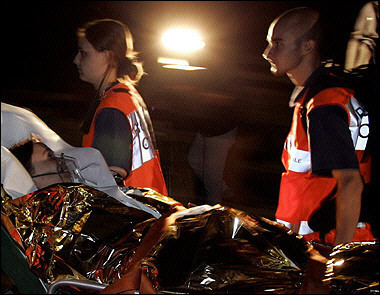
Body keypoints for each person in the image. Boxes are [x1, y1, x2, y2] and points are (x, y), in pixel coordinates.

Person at [262, 7, 375, 246]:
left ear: (307, 47)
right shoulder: (318, 97)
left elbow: (350, 183)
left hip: (332, 243)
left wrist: (338, 258)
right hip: (317, 241)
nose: (267, 52)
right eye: (269, 43)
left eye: (278, 44)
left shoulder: (324, 104)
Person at [73, 19, 167, 195]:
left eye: (83, 53)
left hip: (131, 213)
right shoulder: (127, 94)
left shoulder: (112, 109)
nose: (76, 60)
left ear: (109, 57)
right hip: (148, 206)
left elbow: (111, 178)